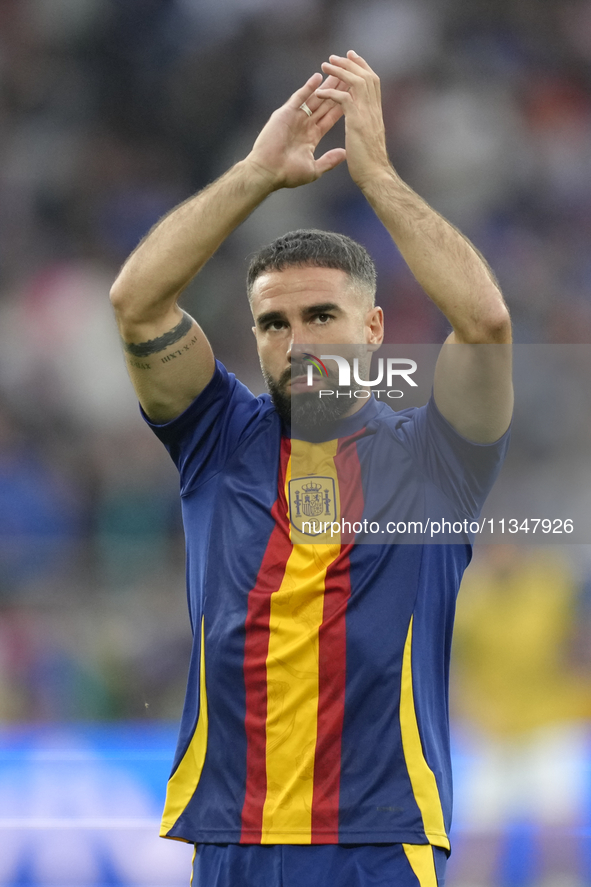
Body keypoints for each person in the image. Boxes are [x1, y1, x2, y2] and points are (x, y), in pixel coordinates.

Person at [110, 51, 513, 887]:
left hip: (377, 839)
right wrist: (257, 174)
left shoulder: (434, 460)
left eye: (320, 314)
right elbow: (138, 301)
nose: (295, 343)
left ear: (371, 329)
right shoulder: (215, 436)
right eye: (272, 322)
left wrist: (378, 177)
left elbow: (482, 323)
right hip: (231, 840)